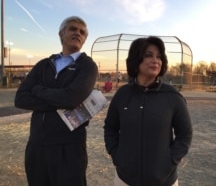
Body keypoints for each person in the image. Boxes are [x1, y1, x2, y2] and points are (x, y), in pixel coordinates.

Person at [14, 16, 98, 186]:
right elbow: (20, 98)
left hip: (69, 148)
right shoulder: (43, 65)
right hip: (36, 146)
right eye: (73, 29)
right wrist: (60, 98)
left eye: (82, 32)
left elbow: (71, 99)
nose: (78, 33)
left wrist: (38, 90)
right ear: (61, 34)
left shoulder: (87, 66)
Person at [104, 36, 192, 186]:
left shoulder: (172, 96)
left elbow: (185, 134)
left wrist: (169, 162)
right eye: (148, 55)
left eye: (159, 56)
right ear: (136, 60)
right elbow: (110, 129)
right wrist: (118, 157)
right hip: (124, 180)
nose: (155, 60)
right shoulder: (122, 95)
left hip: (164, 181)